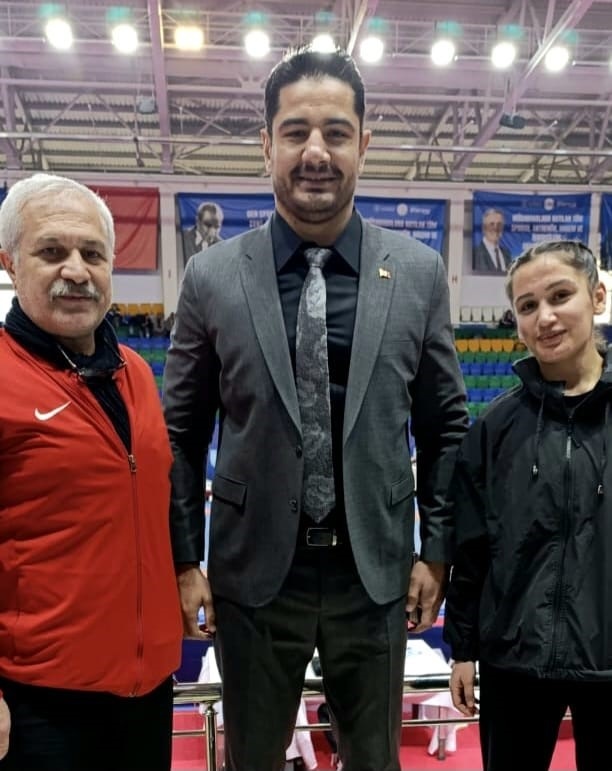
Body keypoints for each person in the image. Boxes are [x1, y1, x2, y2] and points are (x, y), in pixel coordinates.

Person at [164, 45, 468, 771]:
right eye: (295, 131)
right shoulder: (210, 276)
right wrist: (183, 559)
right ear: (266, 143)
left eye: (336, 132)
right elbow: (181, 432)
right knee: (253, 759)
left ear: (364, 143)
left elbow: (446, 425)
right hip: (251, 571)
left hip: (376, 569)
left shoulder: (419, 272)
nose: (315, 153)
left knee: (375, 760)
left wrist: (436, 550)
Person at [0, 173, 183, 771]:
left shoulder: (136, 372)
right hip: (42, 699)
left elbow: (154, 494)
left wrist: (185, 570)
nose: (76, 271)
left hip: (147, 689)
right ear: (10, 263)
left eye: (93, 254)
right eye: (52, 251)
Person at [444, 239, 612, 771]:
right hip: (515, 660)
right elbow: (471, 549)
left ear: (597, 296)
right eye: (528, 306)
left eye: (560, 296)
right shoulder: (495, 428)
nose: (545, 317)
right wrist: (463, 649)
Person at [473, 208, 512, 273]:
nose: (495, 228)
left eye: (499, 224)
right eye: (491, 224)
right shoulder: (474, 254)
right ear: (484, 228)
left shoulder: (507, 254)